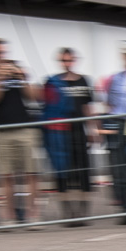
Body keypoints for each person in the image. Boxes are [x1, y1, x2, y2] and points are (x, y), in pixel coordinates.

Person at [0, 38, 42, 226]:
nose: (1, 56)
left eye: (3, 52)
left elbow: (34, 96)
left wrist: (23, 77)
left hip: (25, 128)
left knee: (31, 172)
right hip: (3, 130)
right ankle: (8, 216)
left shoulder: (18, 71)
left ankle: (33, 214)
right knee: (6, 175)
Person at [42, 48, 96, 225]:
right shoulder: (53, 82)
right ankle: (67, 214)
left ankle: (82, 213)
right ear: (60, 61)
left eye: (69, 60)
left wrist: (93, 130)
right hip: (59, 133)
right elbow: (46, 106)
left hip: (79, 131)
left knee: (83, 171)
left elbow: (88, 108)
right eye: (63, 61)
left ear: (74, 60)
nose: (67, 63)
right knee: (62, 173)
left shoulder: (83, 80)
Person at [101, 52, 126, 223]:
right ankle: (124, 208)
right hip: (118, 123)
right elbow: (109, 103)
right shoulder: (116, 78)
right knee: (119, 168)